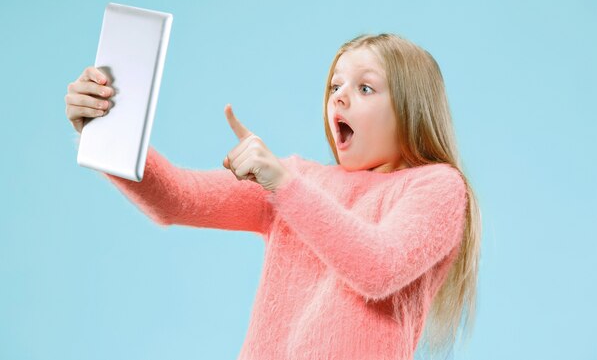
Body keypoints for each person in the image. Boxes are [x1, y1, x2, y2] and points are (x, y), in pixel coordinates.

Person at [65, 33, 481, 360]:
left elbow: (378, 268)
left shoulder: (437, 186)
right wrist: (106, 132)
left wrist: (283, 185)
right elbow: (177, 198)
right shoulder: (298, 179)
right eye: (335, 85)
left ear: (412, 108)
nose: (338, 95)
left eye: (366, 88)